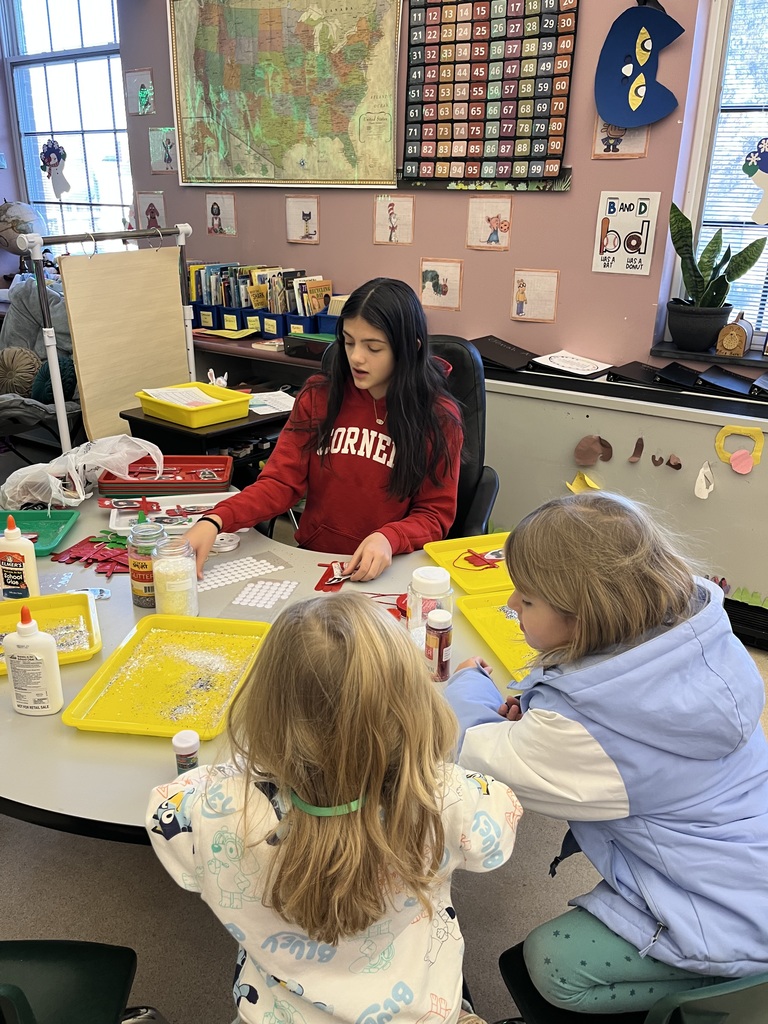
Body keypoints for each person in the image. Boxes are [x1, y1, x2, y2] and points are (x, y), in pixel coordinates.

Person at [444, 492, 768, 1017]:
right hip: (749, 858)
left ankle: (706, 1002)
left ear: (584, 615)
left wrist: (467, 686)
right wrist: (539, 713)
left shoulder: (584, 736)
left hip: (730, 918)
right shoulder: (698, 636)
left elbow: (473, 750)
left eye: (526, 601)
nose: (511, 606)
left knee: (549, 963)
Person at [146, 592, 522, 1024]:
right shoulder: (444, 795)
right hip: (418, 1011)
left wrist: (241, 774)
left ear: (265, 709)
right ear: (413, 707)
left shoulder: (215, 806)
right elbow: (500, 827)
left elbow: (164, 810)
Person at [185, 277, 463, 581]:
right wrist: (215, 519)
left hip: (390, 571)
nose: (357, 357)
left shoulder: (439, 417)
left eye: (373, 347)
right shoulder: (319, 397)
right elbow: (279, 483)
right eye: (349, 341)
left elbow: (434, 515)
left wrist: (389, 537)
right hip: (314, 562)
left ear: (410, 349)